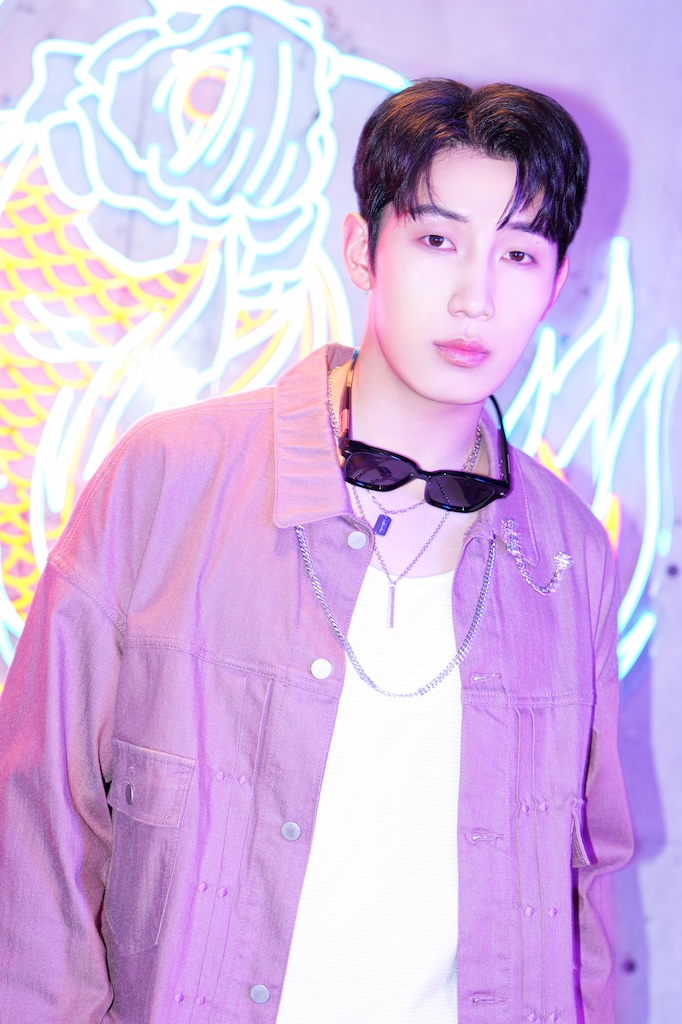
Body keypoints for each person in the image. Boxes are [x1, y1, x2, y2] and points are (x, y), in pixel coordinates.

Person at [0, 79, 633, 1023]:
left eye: (518, 253)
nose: (477, 297)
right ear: (362, 248)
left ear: (556, 279)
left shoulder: (570, 552)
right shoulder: (171, 477)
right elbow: (38, 821)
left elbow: (586, 885)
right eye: (437, 241)